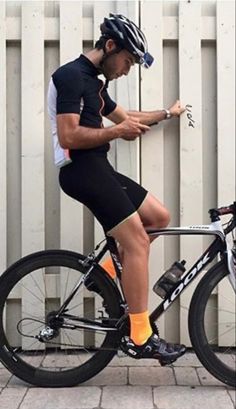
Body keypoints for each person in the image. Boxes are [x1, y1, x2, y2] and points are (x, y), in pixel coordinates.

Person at [48, 13, 186, 363]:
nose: (127, 70)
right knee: (138, 240)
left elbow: (129, 119)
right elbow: (69, 135)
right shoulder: (70, 77)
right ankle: (141, 336)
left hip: (98, 167)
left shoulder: (94, 84)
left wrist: (168, 113)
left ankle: (105, 275)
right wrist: (114, 133)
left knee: (158, 216)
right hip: (81, 171)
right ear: (109, 46)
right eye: (127, 61)